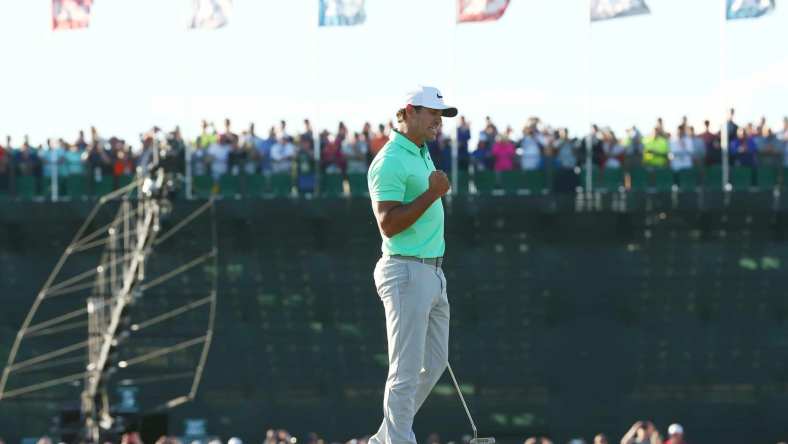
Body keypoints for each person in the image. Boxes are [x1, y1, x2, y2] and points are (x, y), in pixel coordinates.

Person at [366, 85, 457, 444]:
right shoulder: (389, 160)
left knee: (433, 364)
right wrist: (432, 193)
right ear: (410, 111)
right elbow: (388, 223)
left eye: (441, 115)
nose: (439, 121)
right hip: (405, 270)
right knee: (404, 371)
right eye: (433, 113)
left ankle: (385, 437)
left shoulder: (421, 153)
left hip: (432, 271)